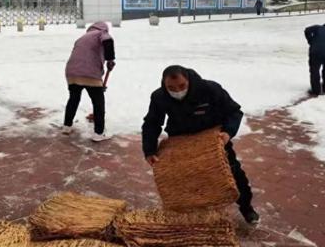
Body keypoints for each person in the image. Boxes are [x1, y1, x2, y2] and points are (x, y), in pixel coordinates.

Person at [141, 65, 259, 225]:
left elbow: (233, 111)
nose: (177, 91)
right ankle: (193, 211)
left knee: (234, 174)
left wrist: (228, 132)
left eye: (182, 86)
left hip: (213, 140)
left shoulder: (209, 89)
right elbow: (152, 123)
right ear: (164, 84)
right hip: (181, 142)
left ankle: (247, 208)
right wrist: (149, 150)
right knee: (186, 180)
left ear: (188, 80)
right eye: (171, 88)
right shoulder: (159, 96)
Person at [62, 21, 115, 142]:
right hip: (89, 73)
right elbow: (108, 41)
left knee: (73, 99)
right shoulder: (101, 33)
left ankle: (67, 126)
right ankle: (99, 133)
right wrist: (110, 60)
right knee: (98, 102)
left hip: (72, 72)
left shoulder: (82, 38)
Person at [304, 23, 325, 96]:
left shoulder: (318, 27)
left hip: (316, 51)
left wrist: (311, 41)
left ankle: (316, 91)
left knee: (314, 70)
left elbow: (307, 30)